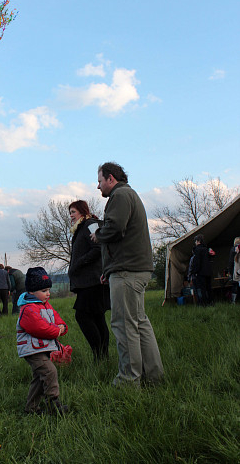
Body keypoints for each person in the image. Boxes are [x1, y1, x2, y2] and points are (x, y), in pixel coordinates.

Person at [91, 162, 163, 386]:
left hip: (127, 271)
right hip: (132, 269)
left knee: (124, 325)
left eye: (100, 181)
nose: (98, 186)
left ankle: (128, 380)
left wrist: (98, 235)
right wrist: (108, 269)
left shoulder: (120, 196)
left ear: (110, 178)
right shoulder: (128, 194)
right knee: (139, 323)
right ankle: (154, 377)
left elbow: (115, 228)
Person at [16, 267, 68, 415]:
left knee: (39, 379)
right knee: (50, 372)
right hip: (32, 350)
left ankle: (31, 409)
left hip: (42, 348)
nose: (48, 294)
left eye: (48, 290)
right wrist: (56, 331)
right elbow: (38, 328)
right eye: (44, 291)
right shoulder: (28, 309)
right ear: (32, 292)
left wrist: (63, 326)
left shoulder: (45, 305)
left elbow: (57, 319)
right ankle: (53, 403)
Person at [68, 200, 110, 360]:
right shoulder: (81, 228)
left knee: (83, 316)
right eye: (70, 213)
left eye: (73, 212)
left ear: (82, 211)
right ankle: (102, 357)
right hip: (89, 281)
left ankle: (98, 354)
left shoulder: (90, 224)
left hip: (93, 281)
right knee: (97, 317)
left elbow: (99, 247)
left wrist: (78, 263)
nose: (71, 216)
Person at [192, 234, 212, 306]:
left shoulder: (197, 250)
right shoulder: (206, 249)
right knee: (209, 288)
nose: (195, 243)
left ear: (198, 241)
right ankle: (210, 302)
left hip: (201, 273)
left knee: (203, 289)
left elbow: (197, 262)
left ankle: (204, 303)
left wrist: (195, 272)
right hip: (208, 272)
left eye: (196, 241)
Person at [228, 237, 240, 304]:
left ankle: (233, 301)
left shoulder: (232, 250)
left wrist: (229, 270)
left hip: (234, 270)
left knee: (235, 285)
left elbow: (230, 261)